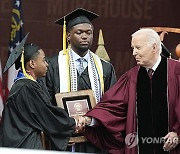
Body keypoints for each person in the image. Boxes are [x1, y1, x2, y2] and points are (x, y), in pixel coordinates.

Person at [79, 28, 180, 154]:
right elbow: (113, 107)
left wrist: (177, 132)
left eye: (138, 47)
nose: (134, 53)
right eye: (133, 48)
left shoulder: (177, 72)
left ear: (154, 48)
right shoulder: (132, 77)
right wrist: (90, 120)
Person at [42, 8, 117, 152]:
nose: (85, 36)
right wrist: (62, 130)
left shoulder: (105, 68)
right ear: (68, 36)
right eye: (79, 32)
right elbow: (46, 103)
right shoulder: (52, 65)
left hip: (96, 139)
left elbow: (112, 104)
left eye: (88, 33)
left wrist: (93, 121)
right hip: (64, 140)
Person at [0, 35, 82, 150]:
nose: (47, 64)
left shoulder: (23, 85)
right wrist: (73, 122)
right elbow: (47, 114)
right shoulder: (27, 87)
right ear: (32, 64)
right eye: (43, 60)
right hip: (25, 146)